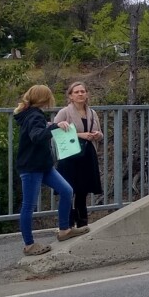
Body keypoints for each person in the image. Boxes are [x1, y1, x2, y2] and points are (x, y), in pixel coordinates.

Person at [14, 84, 83, 256]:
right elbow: (37, 136)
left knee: (67, 191)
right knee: (28, 206)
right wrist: (53, 127)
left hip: (44, 165)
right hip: (31, 167)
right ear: (45, 98)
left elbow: (38, 130)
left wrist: (51, 124)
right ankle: (29, 244)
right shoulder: (34, 116)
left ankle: (64, 230)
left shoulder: (33, 114)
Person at [54, 81, 103, 231]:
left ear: (87, 94)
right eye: (76, 92)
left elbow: (100, 133)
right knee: (69, 189)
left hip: (87, 154)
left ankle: (82, 222)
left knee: (83, 190)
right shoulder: (65, 112)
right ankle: (67, 224)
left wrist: (96, 135)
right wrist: (80, 135)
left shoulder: (92, 113)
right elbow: (55, 132)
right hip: (70, 156)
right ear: (70, 96)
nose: (80, 94)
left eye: (83, 91)